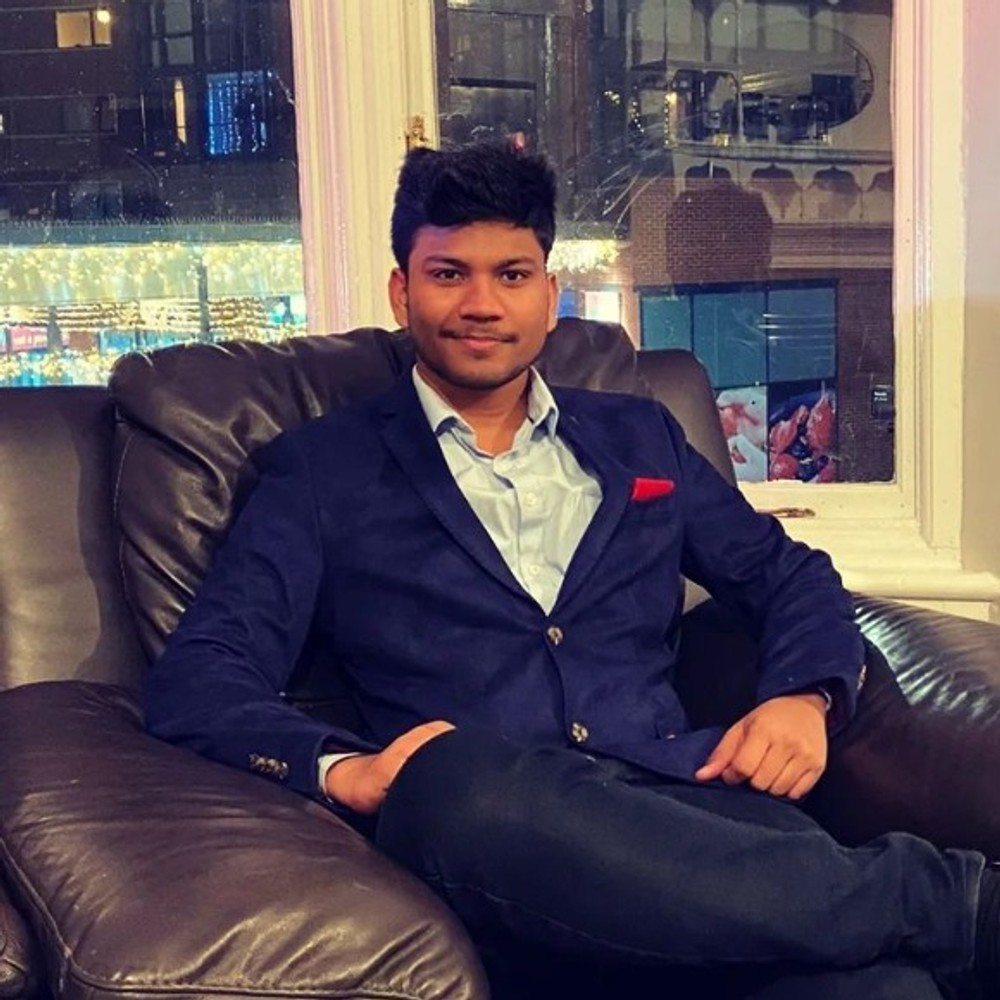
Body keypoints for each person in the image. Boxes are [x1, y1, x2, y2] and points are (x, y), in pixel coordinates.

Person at [145, 143, 1000, 999]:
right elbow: (202, 674)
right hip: (497, 846)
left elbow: (790, 575)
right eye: (449, 274)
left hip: (690, 812)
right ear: (403, 292)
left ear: (549, 296)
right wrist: (344, 767)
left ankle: (931, 919)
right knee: (450, 779)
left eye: (512, 275)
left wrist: (805, 696)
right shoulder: (322, 470)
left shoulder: (640, 436)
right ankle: (961, 909)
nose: (482, 304)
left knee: (885, 991)